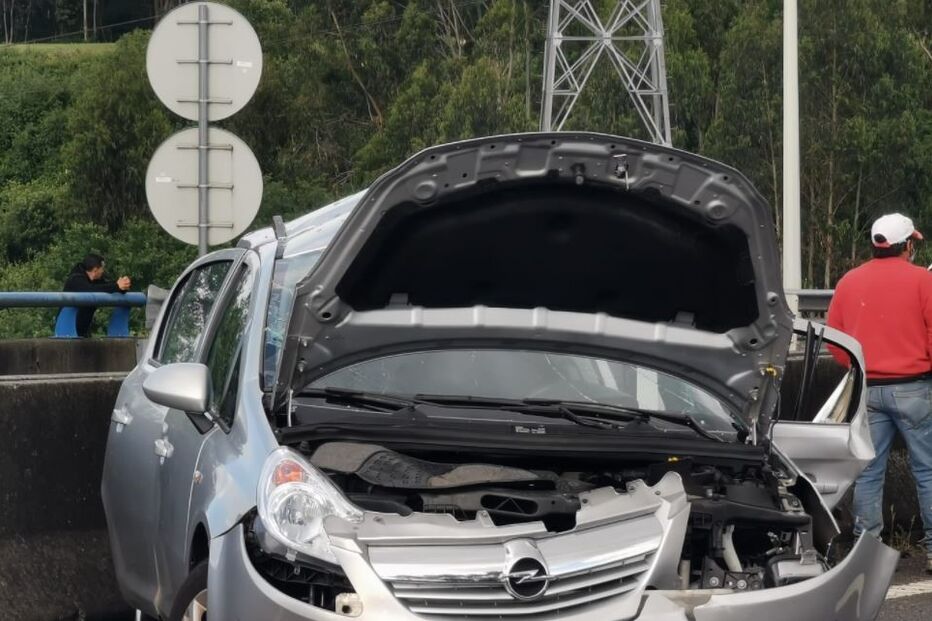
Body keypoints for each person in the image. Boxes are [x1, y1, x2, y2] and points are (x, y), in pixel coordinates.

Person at [827, 213, 932, 573]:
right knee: (928, 471)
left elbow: (835, 342)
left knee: (870, 473)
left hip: (867, 390)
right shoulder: (923, 281)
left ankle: (866, 555)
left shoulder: (848, 282)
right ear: (907, 245)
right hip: (914, 388)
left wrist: (858, 368)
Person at [62, 253, 131, 337]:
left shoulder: (96, 279)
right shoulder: (75, 279)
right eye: (102, 268)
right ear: (95, 270)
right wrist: (116, 286)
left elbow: (107, 286)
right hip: (69, 328)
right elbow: (89, 290)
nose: (103, 271)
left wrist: (122, 285)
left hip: (83, 330)